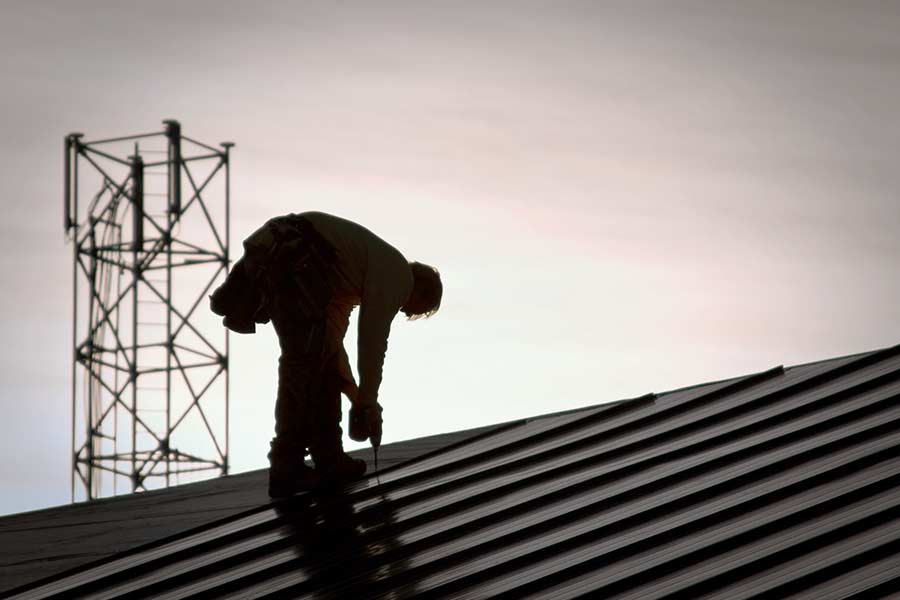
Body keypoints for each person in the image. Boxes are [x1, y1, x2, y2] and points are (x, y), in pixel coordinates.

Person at [210, 211, 442, 498]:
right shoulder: (398, 276)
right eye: (412, 310)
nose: (404, 311)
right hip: (293, 257)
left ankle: (328, 458)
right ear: (419, 292)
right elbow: (372, 340)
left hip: (279, 254)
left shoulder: (348, 280)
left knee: (317, 360)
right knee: (303, 365)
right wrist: (369, 401)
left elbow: (331, 347)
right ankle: (288, 466)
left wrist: (356, 396)